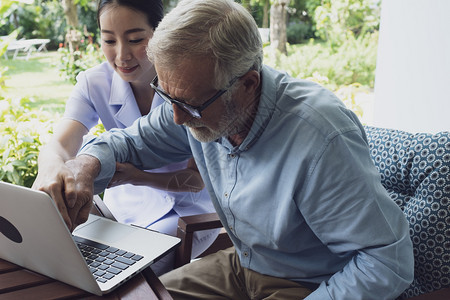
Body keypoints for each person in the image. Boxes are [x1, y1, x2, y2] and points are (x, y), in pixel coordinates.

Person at [54, 0, 414, 298]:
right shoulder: (196, 101)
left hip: (312, 283)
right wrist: (84, 165)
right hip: (243, 264)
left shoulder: (320, 139)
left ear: (248, 84)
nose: (177, 119)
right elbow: (129, 142)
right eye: (168, 97)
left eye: (191, 107)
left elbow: (387, 260)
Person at [32, 0, 218, 276]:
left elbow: (197, 181)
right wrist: (51, 168)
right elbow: (59, 144)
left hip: (185, 212)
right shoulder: (94, 82)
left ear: (160, 33)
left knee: (132, 275)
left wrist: (136, 176)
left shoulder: (187, 84)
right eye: (109, 40)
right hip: (119, 209)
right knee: (62, 260)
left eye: (135, 39)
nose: (122, 55)